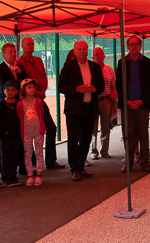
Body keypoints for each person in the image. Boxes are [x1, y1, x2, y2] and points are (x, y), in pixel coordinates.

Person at [15, 36, 65, 170]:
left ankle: (50, 160)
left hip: (40, 99)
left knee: (51, 128)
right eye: (28, 44)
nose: (31, 46)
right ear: (22, 46)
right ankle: (31, 162)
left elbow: (44, 76)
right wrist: (37, 93)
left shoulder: (38, 60)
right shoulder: (19, 62)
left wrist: (42, 91)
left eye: (32, 44)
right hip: (28, 102)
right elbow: (23, 82)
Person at [58, 40, 104, 182]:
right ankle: (75, 169)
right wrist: (76, 89)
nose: (83, 51)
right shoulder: (68, 66)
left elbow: (101, 86)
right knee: (73, 140)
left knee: (86, 139)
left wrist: (95, 89)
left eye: (85, 49)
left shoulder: (94, 67)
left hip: (90, 108)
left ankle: (80, 165)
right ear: (74, 50)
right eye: (80, 49)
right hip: (73, 110)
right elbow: (61, 86)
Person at [115, 35, 150, 173]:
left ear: (140, 46)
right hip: (127, 105)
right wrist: (126, 100)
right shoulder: (122, 62)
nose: (133, 47)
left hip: (142, 105)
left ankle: (144, 161)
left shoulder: (147, 62)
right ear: (127, 46)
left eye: (136, 44)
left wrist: (142, 100)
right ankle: (128, 161)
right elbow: (118, 84)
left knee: (143, 134)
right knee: (128, 134)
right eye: (131, 44)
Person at [17, 78, 47, 186]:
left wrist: (41, 128)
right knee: (28, 154)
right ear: (23, 89)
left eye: (33, 87)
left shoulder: (38, 102)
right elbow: (20, 117)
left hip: (38, 132)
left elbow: (41, 115)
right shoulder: (20, 104)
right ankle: (30, 175)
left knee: (39, 152)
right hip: (26, 133)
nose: (32, 89)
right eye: (29, 87)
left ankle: (38, 174)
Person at [90, 46, 117, 160]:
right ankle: (93, 151)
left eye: (101, 54)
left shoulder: (110, 70)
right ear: (92, 57)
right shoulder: (89, 69)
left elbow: (113, 85)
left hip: (106, 101)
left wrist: (113, 97)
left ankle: (104, 151)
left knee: (106, 127)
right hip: (93, 101)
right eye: (97, 54)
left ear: (104, 56)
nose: (99, 56)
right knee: (93, 128)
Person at [0, 80, 22, 186]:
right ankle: (6, 177)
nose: (10, 92)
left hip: (15, 135)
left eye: (12, 90)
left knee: (14, 156)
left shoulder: (18, 104)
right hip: (4, 136)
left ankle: (13, 175)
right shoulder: (1, 104)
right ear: (4, 91)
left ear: (16, 91)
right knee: (5, 157)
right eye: (8, 90)